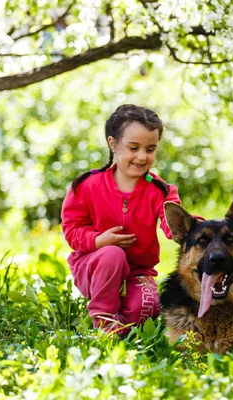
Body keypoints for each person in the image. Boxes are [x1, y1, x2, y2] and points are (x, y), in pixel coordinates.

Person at [61, 104, 180, 336]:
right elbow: (72, 230)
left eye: (150, 149)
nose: (142, 156)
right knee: (112, 254)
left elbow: (173, 222)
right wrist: (98, 241)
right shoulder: (86, 186)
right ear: (113, 143)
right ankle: (104, 321)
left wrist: (199, 230)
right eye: (133, 147)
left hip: (137, 271)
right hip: (94, 266)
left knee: (148, 309)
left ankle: (122, 317)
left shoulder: (160, 190)